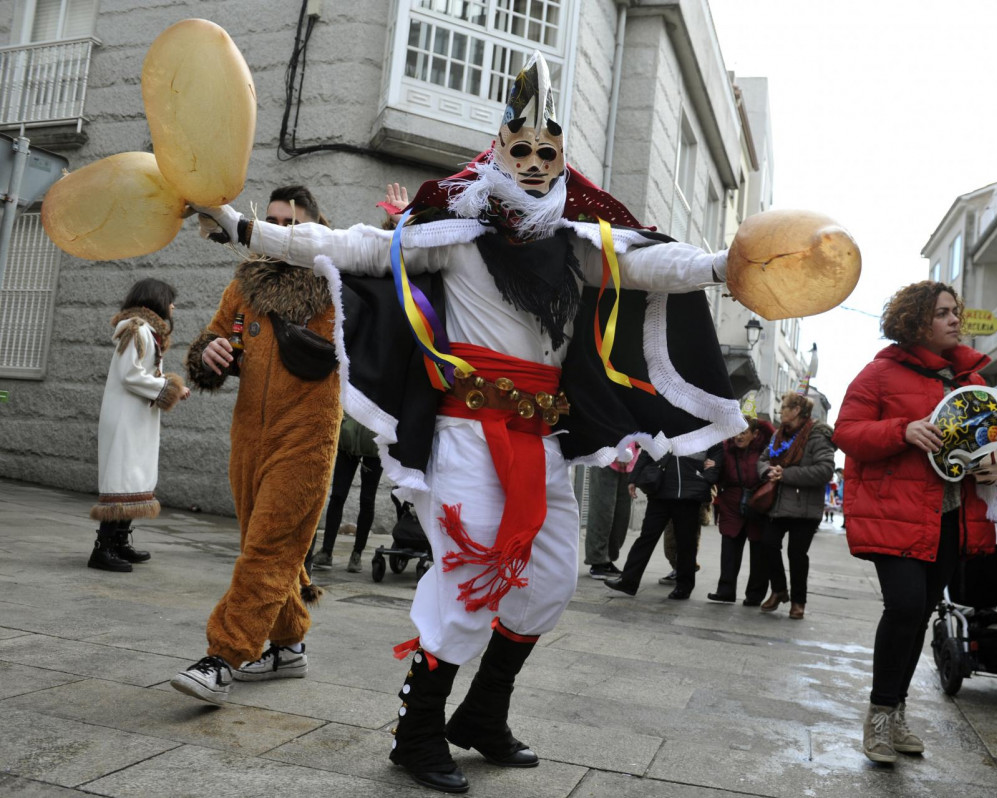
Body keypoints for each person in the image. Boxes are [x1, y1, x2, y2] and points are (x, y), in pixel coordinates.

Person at [192, 53, 742, 794]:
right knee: (472, 575)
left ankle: (481, 715)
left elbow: (660, 264)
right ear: (497, 152)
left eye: (549, 152)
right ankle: (416, 731)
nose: (536, 164)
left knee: (548, 581)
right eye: (522, 150)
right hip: (464, 434)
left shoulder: (578, 246)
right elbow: (349, 245)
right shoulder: (455, 233)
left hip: (540, 441)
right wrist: (243, 228)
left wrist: (730, 263)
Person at [171, 185, 341, 705]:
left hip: (307, 437)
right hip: (248, 435)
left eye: (290, 223)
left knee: (268, 547)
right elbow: (215, 340)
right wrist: (212, 352)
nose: (278, 231)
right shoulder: (242, 287)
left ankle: (224, 655)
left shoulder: (337, 283)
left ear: (314, 227)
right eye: (270, 221)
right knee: (264, 545)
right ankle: (288, 648)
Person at [833, 281, 996, 764]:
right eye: (942, 313)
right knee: (904, 607)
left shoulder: (973, 381)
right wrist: (900, 430)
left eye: (955, 312)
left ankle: (896, 709)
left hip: (950, 516)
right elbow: (847, 432)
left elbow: (993, 442)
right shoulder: (880, 374)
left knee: (920, 614)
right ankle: (880, 716)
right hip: (895, 512)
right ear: (916, 321)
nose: (954, 320)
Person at [89, 278, 190, 572]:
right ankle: (102, 549)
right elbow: (129, 374)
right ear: (156, 300)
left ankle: (119, 543)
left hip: (137, 417)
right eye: (170, 300)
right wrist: (169, 387)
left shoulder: (147, 331)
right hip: (125, 418)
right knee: (121, 478)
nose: (173, 307)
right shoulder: (136, 329)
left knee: (133, 478)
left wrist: (166, 386)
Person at [605, 444, 721, 600]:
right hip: (661, 491)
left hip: (690, 495)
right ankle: (628, 581)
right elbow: (647, 452)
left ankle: (684, 587)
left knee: (686, 543)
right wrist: (633, 479)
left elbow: (718, 454)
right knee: (646, 538)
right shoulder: (664, 425)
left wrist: (708, 476)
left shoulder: (706, 430)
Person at [756, 393, 835, 618]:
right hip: (778, 504)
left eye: (784, 408)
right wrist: (767, 471)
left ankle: (798, 602)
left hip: (805, 508)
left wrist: (786, 474)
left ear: (797, 411)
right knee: (768, 544)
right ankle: (780, 590)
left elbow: (825, 470)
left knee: (797, 554)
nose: (781, 412)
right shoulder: (779, 435)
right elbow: (762, 459)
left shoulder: (818, 435)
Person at [707, 414, 775, 605]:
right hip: (731, 504)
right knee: (729, 550)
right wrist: (711, 467)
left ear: (754, 434)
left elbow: (772, 431)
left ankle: (755, 595)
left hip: (757, 504)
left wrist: (753, 419)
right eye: (736, 431)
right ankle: (725, 591)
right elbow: (716, 472)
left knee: (758, 552)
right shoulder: (725, 448)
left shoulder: (763, 448)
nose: (739, 436)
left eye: (744, 432)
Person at [310, 413, 386, 573]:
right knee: (337, 496)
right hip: (347, 441)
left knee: (367, 499)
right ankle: (326, 552)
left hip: (375, 444)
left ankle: (357, 554)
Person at [583, 448, 635, 580]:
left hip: (629, 462)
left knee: (621, 515)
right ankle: (597, 561)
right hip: (605, 459)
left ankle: (608, 559)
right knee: (601, 511)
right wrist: (615, 452)